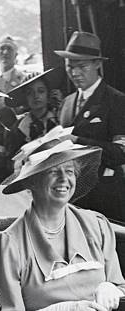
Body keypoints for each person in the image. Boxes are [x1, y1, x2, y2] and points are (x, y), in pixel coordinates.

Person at [0, 138, 125, 311]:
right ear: (31, 182)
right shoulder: (8, 244)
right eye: (53, 171)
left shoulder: (96, 225)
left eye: (69, 171)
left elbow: (119, 287)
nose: (63, 179)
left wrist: (110, 288)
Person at [54, 31, 125, 223]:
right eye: (70, 67)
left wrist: (78, 142)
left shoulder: (116, 101)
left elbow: (120, 152)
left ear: (98, 64)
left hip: (106, 195)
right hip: (71, 196)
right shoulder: (67, 103)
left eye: (82, 66)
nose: (75, 73)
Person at [5, 68, 63, 158]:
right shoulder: (19, 128)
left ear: (48, 94)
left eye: (41, 91)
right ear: (25, 98)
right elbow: (10, 160)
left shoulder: (60, 119)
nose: (36, 96)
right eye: (29, 93)